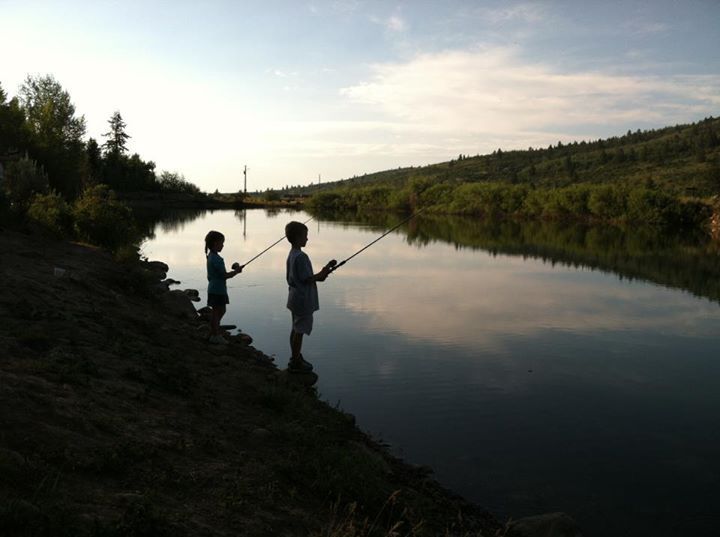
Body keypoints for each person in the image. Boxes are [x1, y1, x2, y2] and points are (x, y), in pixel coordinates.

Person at [285, 220, 334, 372]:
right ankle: (295, 362)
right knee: (299, 332)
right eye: (305, 236)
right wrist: (323, 274)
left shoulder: (292, 254)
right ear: (298, 237)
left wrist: (323, 271)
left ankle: (295, 357)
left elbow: (302, 277)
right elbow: (308, 279)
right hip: (302, 300)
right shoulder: (301, 256)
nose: (307, 239)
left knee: (295, 329)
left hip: (294, 298)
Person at [205, 230, 242, 345]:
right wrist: (236, 272)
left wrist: (235, 271)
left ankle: (213, 331)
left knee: (219, 311)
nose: (223, 245)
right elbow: (224, 276)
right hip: (217, 290)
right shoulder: (217, 259)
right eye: (222, 243)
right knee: (217, 312)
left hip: (215, 289)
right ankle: (215, 335)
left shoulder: (211, 256)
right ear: (215, 243)